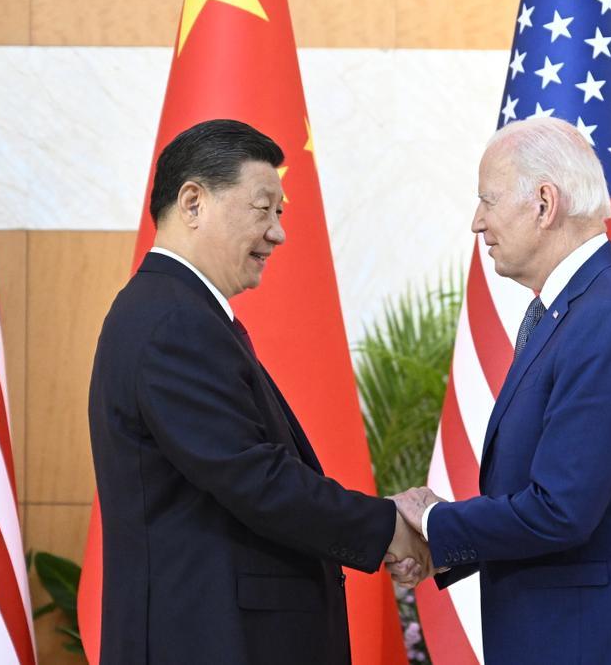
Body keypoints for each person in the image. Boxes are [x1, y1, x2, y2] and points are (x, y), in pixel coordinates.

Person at [88, 119, 428, 664]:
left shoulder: (178, 312)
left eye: (281, 213)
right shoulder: (172, 320)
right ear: (193, 202)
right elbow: (257, 479)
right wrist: (388, 526)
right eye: (262, 208)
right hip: (204, 642)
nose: (278, 232)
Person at [391, 117, 611, 664]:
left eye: (487, 200)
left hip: (600, 642)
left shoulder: (608, 319)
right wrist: (444, 544)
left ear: (543, 203)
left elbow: (561, 510)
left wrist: (433, 522)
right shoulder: (577, 312)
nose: (476, 223)